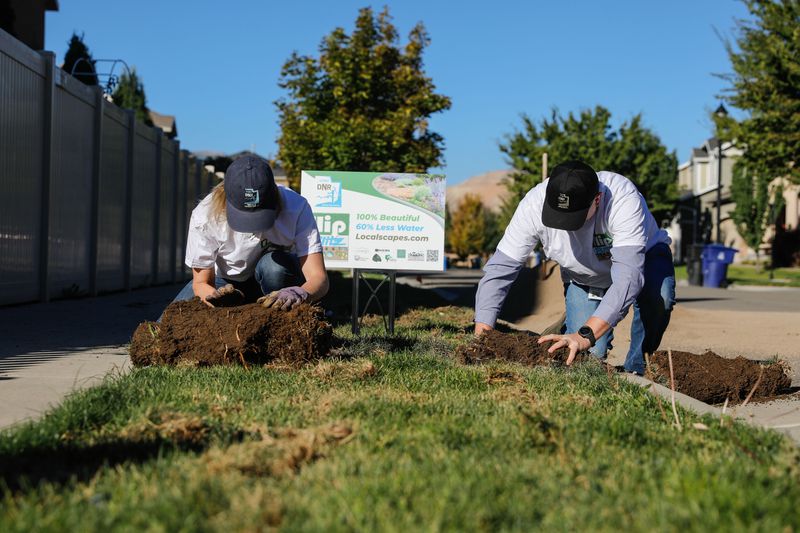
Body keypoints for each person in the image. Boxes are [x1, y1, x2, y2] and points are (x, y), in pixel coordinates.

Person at [474, 160, 675, 375]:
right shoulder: (533, 204)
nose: (563, 225)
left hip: (644, 260)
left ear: (597, 199)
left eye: (573, 217)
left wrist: (585, 334)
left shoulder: (622, 199)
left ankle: (637, 369)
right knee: (583, 356)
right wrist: (483, 334)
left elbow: (628, 280)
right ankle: (567, 327)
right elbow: (499, 270)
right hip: (584, 276)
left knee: (659, 297)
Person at [170, 155, 328, 311]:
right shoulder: (205, 216)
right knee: (168, 324)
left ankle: (280, 313)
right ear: (226, 197)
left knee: (273, 268)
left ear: (273, 195)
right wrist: (217, 298)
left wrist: (300, 293)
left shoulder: (296, 207)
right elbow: (201, 283)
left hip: (279, 282)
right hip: (226, 282)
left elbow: (318, 277)